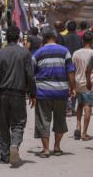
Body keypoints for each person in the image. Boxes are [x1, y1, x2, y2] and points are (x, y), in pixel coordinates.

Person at [0, 25, 36, 165]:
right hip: (19, 95)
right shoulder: (25, 53)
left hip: (2, 94)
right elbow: (30, 76)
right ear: (18, 38)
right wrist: (33, 94)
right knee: (18, 124)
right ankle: (14, 144)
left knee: (3, 125)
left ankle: (4, 156)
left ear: (6, 38)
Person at [33, 26, 76, 158]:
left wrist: (31, 92)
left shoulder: (38, 53)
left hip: (43, 92)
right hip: (60, 92)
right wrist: (73, 88)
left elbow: (31, 73)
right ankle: (57, 147)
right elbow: (70, 72)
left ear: (44, 37)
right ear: (55, 37)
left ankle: (46, 150)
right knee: (60, 120)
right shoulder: (65, 51)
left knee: (43, 120)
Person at [72, 31, 93, 140]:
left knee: (80, 105)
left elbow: (72, 69)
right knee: (87, 107)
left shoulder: (76, 53)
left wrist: (72, 86)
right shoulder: (92, 53)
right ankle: (84, 133)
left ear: (82, 40)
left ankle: (78, 126)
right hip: (89, 83)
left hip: (78, 82)